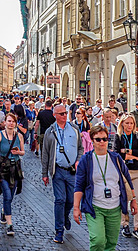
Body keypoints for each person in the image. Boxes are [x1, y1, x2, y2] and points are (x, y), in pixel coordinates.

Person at [73, 124, 137, 251]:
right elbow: (79, 185)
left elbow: (127, 179)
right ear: (92, 141)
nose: (102, 142)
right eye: (98, 139)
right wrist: (76, 208)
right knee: (98, 241)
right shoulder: (86, 160)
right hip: (95, 207)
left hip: (115, 207)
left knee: (111, 244)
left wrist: (133, 199)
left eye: (105, 139)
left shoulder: (115, 158)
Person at [41, 104, 84, 243]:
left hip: (72, 171)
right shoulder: (50, 131)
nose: (64, 115)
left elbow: (80, 148)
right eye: (61, 114)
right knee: (60, 199)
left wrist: (78, 161)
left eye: (65, 113)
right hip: (57, 170)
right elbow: (45, 153)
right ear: (55, 115)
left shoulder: (75, 129)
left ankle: (65, 217)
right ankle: (59, 230)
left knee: (71, 200)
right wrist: (44, 173)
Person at [114, 114, 138, 242]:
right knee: (125, 198)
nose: (129, 126)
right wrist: (133, 155)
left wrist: (127, 152)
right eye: (127, 123)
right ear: (122, 124)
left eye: (131, 123)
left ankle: (137, 226)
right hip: (124, 172)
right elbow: (116, 153)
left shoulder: (137, 136)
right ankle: (125, 223)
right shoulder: (119, 137)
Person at [0, 113, 25, 236]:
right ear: (5, 122)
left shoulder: (19, 136)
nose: (11, 123)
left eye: (13, 121)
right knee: (6, 194)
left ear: (16, 123)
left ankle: (4, 210)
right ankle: (10, 224)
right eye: (9, 121)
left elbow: (23, 152)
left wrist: (18, 151)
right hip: (3, 169)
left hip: (15, 168)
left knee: (11, 195)